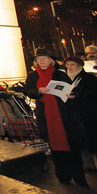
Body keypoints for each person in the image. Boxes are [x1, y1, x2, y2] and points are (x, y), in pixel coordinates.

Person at [25, 49, 88, 186]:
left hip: (65, 115)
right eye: (39, 58)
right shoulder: (32, 76)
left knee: (73, 146)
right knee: (55, 147)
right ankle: (63, 176)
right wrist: (38, 91)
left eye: (44, 58)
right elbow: (29, 91)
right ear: (36, 61)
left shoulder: (59, 74)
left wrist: (73, 95)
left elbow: (73, 90)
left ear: (50, 60)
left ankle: (79, 177)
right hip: (47, 116)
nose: (42, 60)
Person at [64, 56, 97, 171]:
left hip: (87, 114)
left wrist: (77, 96)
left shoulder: (88, 78)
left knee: (91, 139)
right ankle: (87, 165)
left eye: (72, 65)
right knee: (79, 140)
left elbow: (93, 93)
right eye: (67, 65)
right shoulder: (65, 78)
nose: (69, 67)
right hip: (72, 115)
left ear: (79, 66)